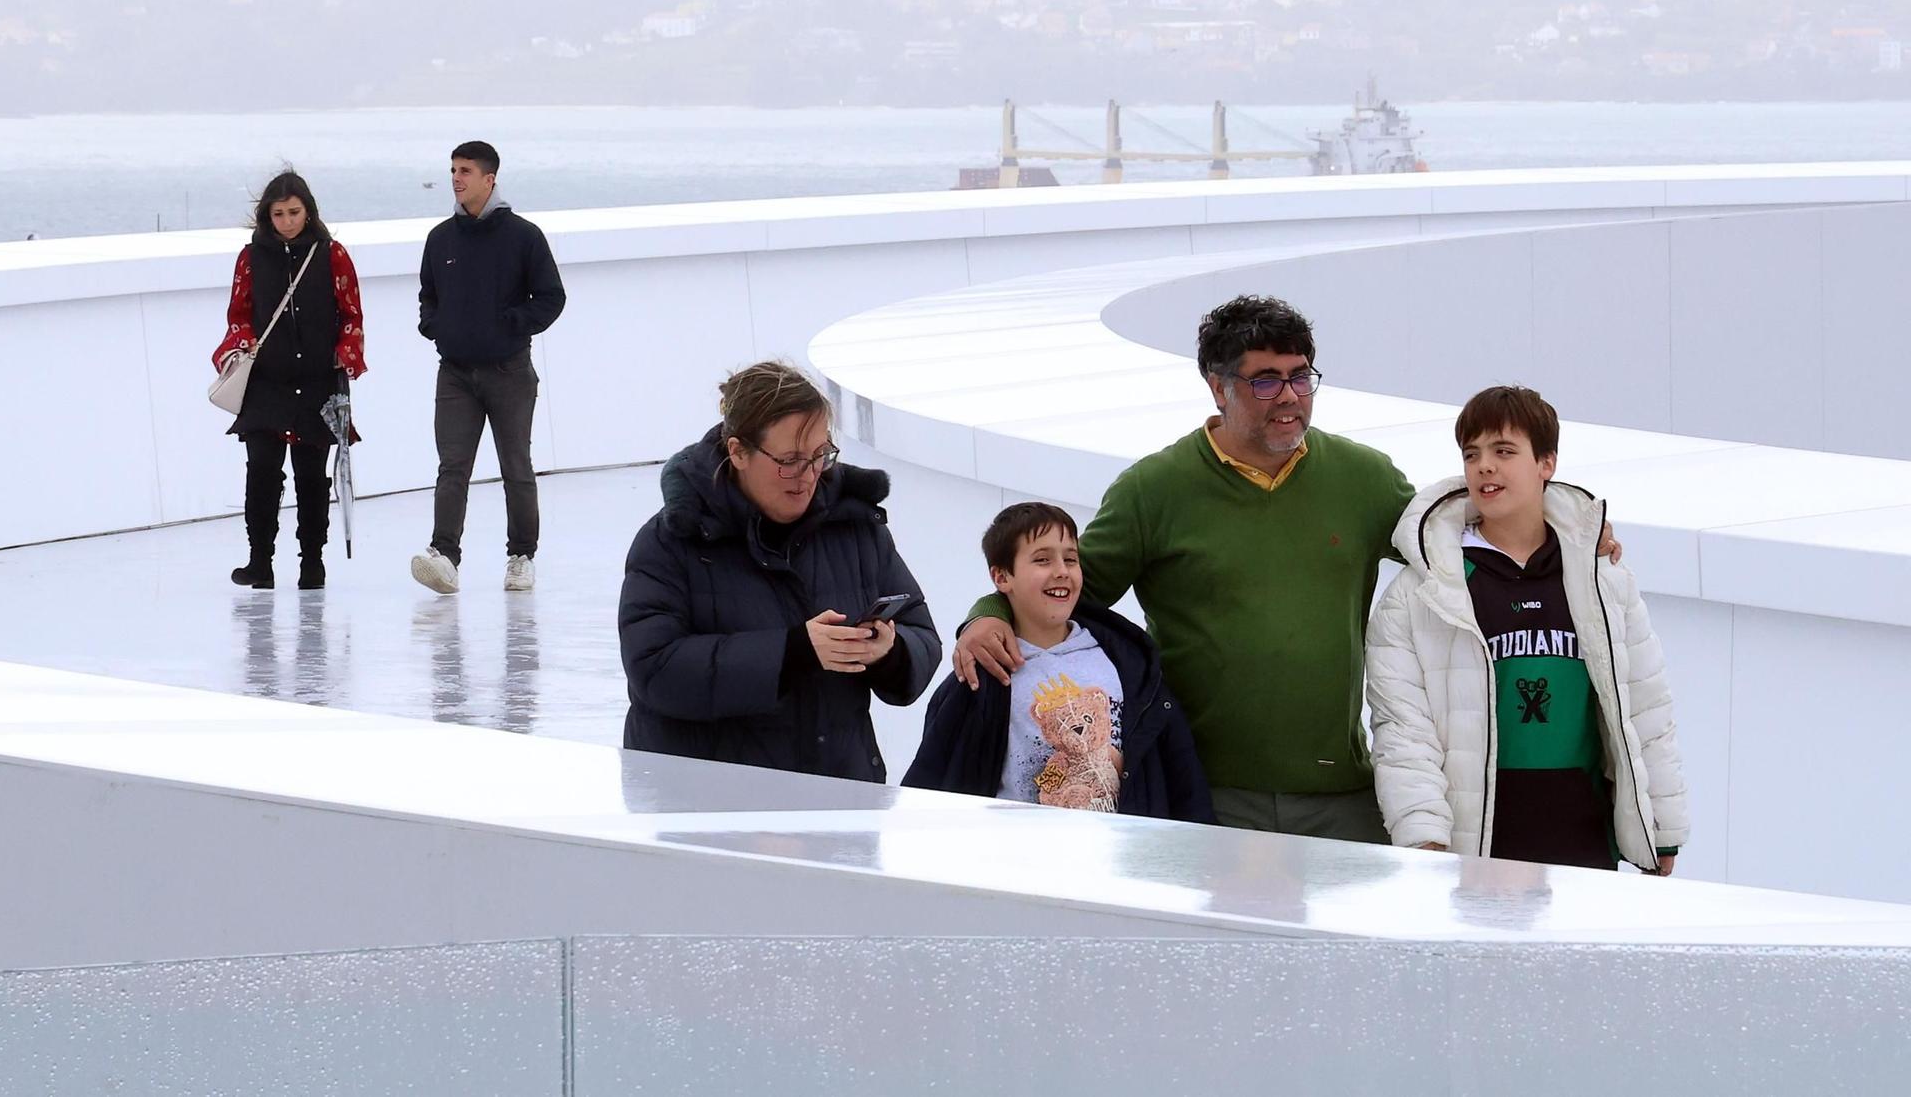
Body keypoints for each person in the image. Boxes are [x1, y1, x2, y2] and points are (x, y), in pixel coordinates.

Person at [954, 294, 1621, 843]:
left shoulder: (1361, 478)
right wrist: (985, 616)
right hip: (1208, 796)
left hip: (1341, 796)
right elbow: (1068, 592)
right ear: (1217, 387)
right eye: (1265, 380)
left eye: (1301, 377)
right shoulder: (1154, 490)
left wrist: (1571, 523)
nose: (1289, 397)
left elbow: (1459, 536)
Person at [1364, 386, 1687, 872]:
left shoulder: (1602, 579)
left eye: (1504, 451)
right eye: (1472, 454)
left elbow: (1646, 708)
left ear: (1546, 463)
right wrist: (1422, 835)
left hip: (1583, 842)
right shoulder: (1421, 592)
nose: (1484, 467)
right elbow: (1404, 730)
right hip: (1473, 847)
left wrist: (1661, 831)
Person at [618, 360, 941, 781]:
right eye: (789, 460)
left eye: (820, 456)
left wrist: (887, 651)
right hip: (713, 808)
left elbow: (921, 634)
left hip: (840, 799)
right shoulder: (671, 542)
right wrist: (792, 653)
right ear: (738, 452)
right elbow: (655, 670)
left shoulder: (856, 527)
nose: (807, 477)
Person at [905, 502, 1213, 821]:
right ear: (1001, 576)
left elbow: (1180, 771)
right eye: (1042, 560)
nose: (1061, 571)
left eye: (1070, 559)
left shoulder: (1130, 664)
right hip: (1017, 859)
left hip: (1122, 858)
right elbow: (933, 777)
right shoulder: (979, 674)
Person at [410, 141, 566, 595]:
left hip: (509, 372)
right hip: (454, 372)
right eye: (453, 170)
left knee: (515, 466)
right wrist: (435, 326)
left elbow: (551, 297)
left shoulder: (524, 236)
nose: (456, 178)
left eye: (465, 171)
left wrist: (512, 324)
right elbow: (428, 294)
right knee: (451, 467)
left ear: (489, 179)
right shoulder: (441, 238)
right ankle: (444, 557)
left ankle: (521, 556)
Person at [212, 170, 366, 590]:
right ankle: (259, 560)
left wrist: (345, 356)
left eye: (294, 212)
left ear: (309, 212)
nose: (287, 221)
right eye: (278, 214)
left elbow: (351, 314)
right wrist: (240, 344)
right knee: (261, 471)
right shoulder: (251, 257)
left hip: (317, 383)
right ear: (267, 216)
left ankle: (312, 562)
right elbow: (239, 314)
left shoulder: (332, 255)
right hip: (266, 383)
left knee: (312, 477)